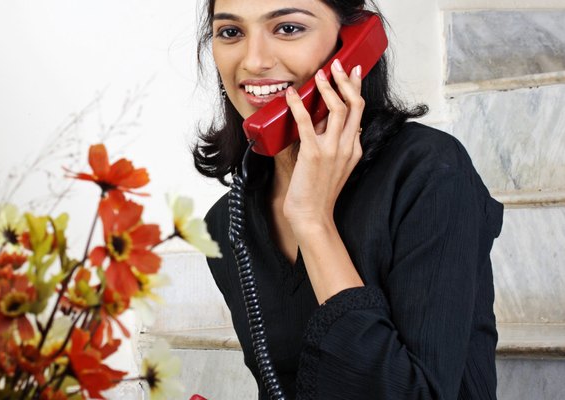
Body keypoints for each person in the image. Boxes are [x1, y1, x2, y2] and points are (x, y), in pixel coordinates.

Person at [192, 0, 504, 399]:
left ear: (354, 41)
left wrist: (313, 221)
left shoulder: (428, 171)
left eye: (288, 28)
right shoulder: (229, 221)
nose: (253, 61)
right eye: (231, 32)